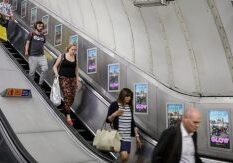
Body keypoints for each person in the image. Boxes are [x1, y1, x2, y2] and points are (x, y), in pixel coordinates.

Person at [106, 88, 142, 163]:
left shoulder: (129, 107)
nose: (129, 98)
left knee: (125, 159)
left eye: (130, 97)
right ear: (122, 96)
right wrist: (115, 114)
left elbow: (132, 122)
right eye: (127, 96)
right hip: (118, 136)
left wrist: (137, 136)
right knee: (124, 156)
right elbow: (108, 120)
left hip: (127, 137)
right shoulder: (114, 105)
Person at [53, 44, 80, 126]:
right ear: (68, 49)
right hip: (63, 78)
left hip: (72, 79)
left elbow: (76, 69)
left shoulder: (75, 57)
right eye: (72, 49)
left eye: (75, 50)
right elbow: (54, 66)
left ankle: (65, 108)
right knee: (67, 95)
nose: (74, 51)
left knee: (72, 97)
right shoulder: (62, 56)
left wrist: (77, 79)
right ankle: (68, 116)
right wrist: (57, 74)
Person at [25, 21, 48, 86]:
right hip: (33, 56)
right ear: (36, 26)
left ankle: (40, 84)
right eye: (39, 26)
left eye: (42, 26)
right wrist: (26, 51)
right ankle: (30, 85)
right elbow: (27, 43)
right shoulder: (31, 34)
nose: (41, 27)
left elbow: (42, 45)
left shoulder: (43, 36)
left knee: (45, 69)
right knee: (32, 72)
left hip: (41, 56)